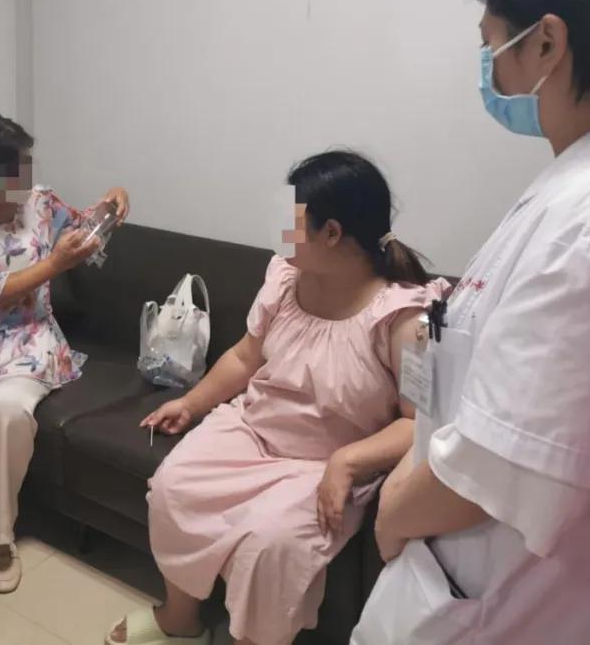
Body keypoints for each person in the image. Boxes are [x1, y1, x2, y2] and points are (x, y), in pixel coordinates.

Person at [351, 0, 590, 645]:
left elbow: (502, 468)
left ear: (547, 42)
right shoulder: (587, 190)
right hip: (469, 586)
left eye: (494, 43)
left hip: (500, 609)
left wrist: (392, 512)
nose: (489, 68)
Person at [109, 151, 449, 645]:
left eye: (292, 218)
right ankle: (179, 622)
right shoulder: (284, 280)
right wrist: (192, 403)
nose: (281, 232)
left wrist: (348, 462)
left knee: (271, 544)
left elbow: (418, 423)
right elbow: (245, 357)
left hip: (322, 462)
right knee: (173, 488)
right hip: (252, 430)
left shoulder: (405, 319)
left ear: (331, 233)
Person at [0, 104, 130, 592]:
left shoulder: (38, 202)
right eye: (17, 174)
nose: (28, 184)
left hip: (27, 338)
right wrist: (54, 265)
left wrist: (113, 203)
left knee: (9, 413)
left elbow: (85, 229)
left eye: (28, 168)